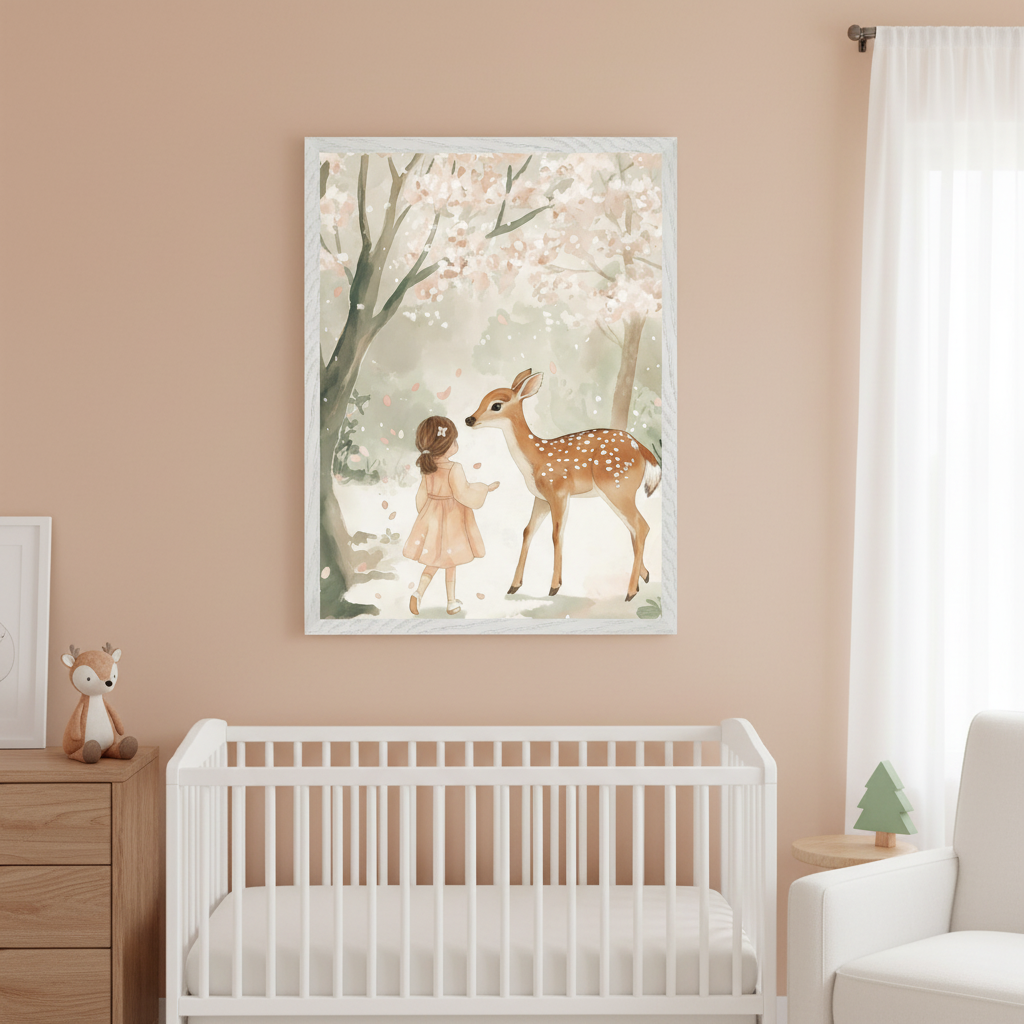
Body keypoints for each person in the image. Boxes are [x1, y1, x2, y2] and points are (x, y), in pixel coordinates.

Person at [403, 415, 499, 615]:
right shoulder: (455, 468)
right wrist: (484, 489)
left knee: (434, 561)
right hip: (452, 521)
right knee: (450, 562)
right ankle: (451, 602)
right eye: (453, 441)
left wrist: (425, 517)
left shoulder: (428, 468)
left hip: (433, 518)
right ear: (445, 445)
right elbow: (463, 492)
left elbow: (421, 495)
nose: (456, 445)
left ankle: (419, 592)